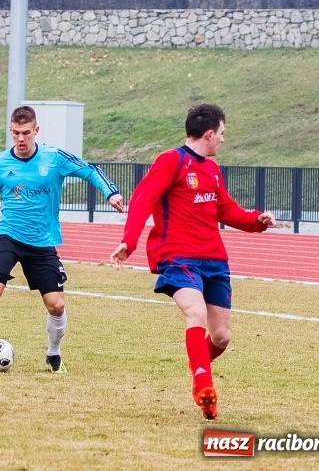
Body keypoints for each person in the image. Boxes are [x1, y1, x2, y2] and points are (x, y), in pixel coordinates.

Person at [109, 103, 276, 421]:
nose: (224, 140)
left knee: (221, 337)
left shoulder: (212, 170)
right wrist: (128, 242)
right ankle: (203, 386)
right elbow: (143, 199)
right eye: (223, 134)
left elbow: (226, 210)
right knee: (195, 312)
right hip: (178, 257)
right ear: (210, 134)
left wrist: (257, 220)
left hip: (214, 261)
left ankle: (197, 364)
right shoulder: (172, 161)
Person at [0, 105, 125, 373]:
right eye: (15, 133)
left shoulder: (54, 158)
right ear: (10, 132)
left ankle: (53, 355)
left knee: (56, 304)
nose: (20, 139)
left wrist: (110, 192)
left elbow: (89, 170)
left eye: (25, 133)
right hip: (8, 236)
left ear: (36, 130)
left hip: (43, 242)